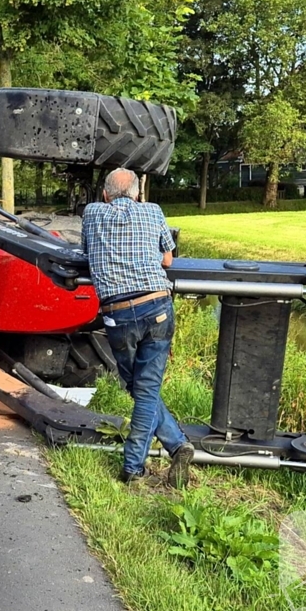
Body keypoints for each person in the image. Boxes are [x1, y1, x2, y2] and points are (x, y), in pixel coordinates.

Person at [81, 168, 196, 487]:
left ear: (104, 194)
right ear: (136, 193)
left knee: (140, 389)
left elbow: (88, 253)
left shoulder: (92, 213)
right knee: (143, 389)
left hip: (118, 313)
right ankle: (176, 445)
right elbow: (168, 261)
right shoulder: (153, 211)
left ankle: (133, 467)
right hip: (157, 306)